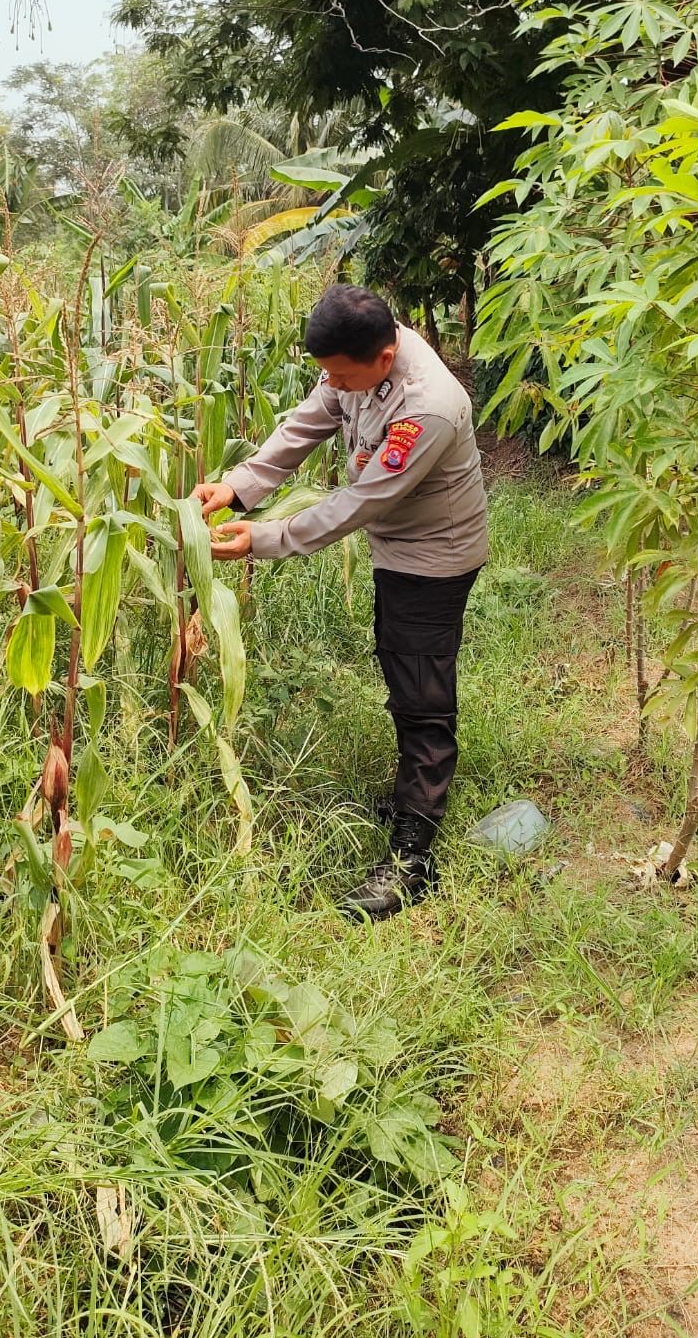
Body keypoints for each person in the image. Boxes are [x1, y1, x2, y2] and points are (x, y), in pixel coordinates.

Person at [192, 285, 488, 920]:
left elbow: (361, 502)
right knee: (402, 662)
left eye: (340, 374)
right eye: (325, 372)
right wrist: (238, 486)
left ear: (384, 358)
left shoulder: (429, 407)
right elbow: (306, 422)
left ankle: (413, 855)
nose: (331, 384)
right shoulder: (357, 362)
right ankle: (413, 793)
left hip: (433, 555)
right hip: (399, 546)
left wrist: (262, 539)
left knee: (422, 690)